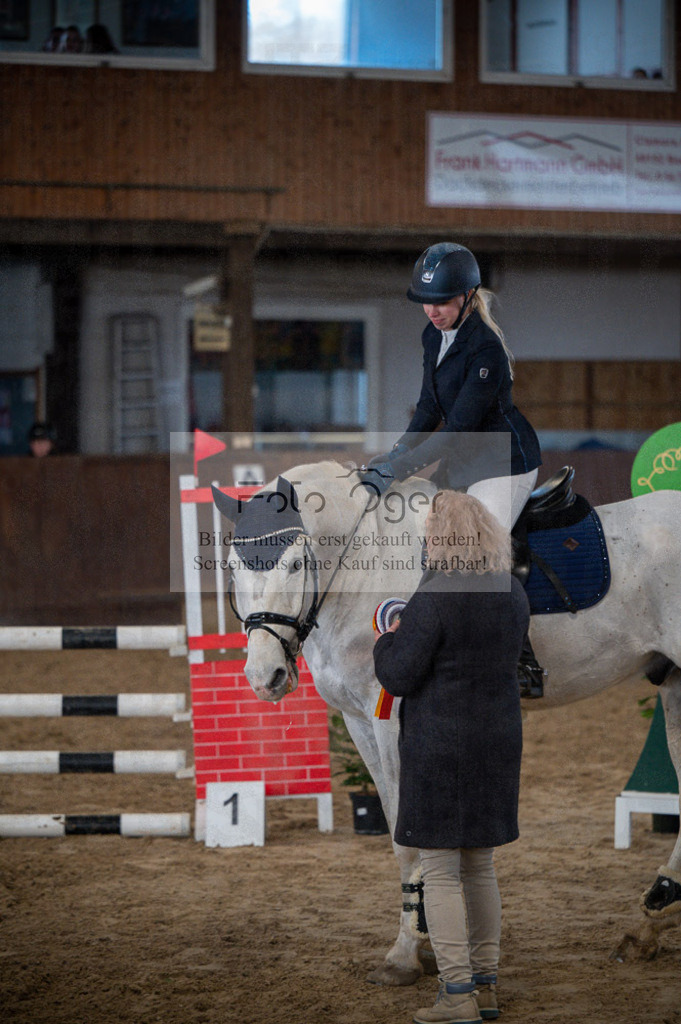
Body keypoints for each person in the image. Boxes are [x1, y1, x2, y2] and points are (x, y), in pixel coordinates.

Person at [360, 241, 545, 695]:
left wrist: (401, 469)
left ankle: (523, 661)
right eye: (426, 302)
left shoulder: (485, 348)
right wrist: (394, 454)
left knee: (478, 550)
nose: (432, 311)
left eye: (442, 301)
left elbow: (460, 425)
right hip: (465, 461)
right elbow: (427, 409)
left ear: (466, 296)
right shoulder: (432, 337)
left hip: (504, 463)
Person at [373, 490, 528, 1024]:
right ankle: (485, 987)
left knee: (439, 869)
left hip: (440, 747)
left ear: (441, 537)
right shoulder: (512, 591)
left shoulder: (433, 596)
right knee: (480, 866)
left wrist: (386, 640)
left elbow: (398, 675)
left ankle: (456, 994)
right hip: (499, 741)